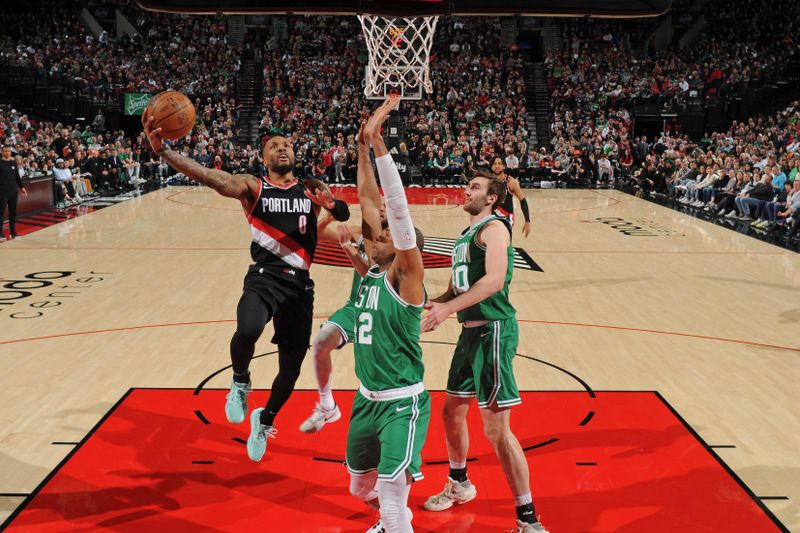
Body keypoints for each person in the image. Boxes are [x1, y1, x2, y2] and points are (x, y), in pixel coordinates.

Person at [141, 109, 351, 462]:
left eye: (287, 145)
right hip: (265, 277)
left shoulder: (311, 187)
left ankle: (264, 419)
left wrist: (330, 204)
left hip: (300, 286)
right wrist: (162, 151)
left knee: (291, 369)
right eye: (274, 146)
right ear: (262, 156)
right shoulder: (253, 187)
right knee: (248, 328)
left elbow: (342, 212)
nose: (282, 149)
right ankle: (240, 381)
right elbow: (211, 177)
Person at [420, 171, 548, 533]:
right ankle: (460, 484)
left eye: (475, 187)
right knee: (451, 412)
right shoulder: (464, 237)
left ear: (492, 198)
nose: (467, 190)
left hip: (493, 331)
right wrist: (431, 305)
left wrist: (448, 309)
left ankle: (528, 519)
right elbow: (455, 288)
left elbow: (493, 281)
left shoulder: (494, 229)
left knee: (496, 431)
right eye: (468, 186)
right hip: (470, 333)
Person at [343, 97, 429, 533]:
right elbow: (366, 199)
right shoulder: (373, 272)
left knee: (393, 505)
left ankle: (396, 518)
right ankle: (395, 512)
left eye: (383, 235)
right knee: (360, 490)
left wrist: (378, 144)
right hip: (364, 400)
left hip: (401, 403)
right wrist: (361, 148)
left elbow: (394, 207)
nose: (372, 236)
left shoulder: (406, 274)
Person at [299, 131, 386, 434]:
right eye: (379, 208)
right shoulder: (364, 235)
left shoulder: (402, 245)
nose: (381, 210)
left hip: (387, 314)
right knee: (321, 342)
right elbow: (315, 236)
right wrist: (325, 209)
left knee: (379, 380)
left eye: (386, 209)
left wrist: (350, 249)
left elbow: (374, 277)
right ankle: (326, 405)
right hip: (357, 308)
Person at [490, 156, 532, 238]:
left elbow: (523, 201)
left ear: (504, 166)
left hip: (506, 218)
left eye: (499, 164)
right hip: (490, 217)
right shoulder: (488, 181)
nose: (497, 166)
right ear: (491, 167)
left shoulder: (511, 182)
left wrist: (527, 221)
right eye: (494, 164)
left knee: (502, 243)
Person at [0, 145, 28, 241]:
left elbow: (17, 177)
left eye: (8, 151)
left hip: (13, 191)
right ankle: (0, 234)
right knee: (1, 213)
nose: (7, 152)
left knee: (13, 213)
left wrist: (22, 187)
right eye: (5, 151)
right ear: (2, 152)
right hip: (2, 192)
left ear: (10, 152)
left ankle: (13, 233)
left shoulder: (13, 163)